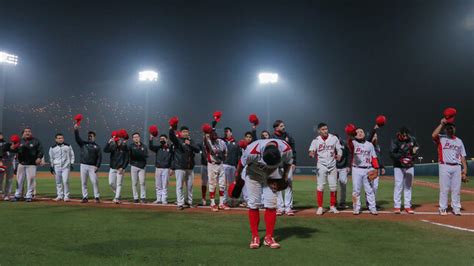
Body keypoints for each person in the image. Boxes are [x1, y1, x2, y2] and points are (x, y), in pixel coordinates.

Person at [234, 138, 293, 249]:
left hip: (272, 175)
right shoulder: (252, 150)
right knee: (253, 204)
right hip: (253, 175)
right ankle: (255, 236)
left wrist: (284, 178)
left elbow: (288, 163)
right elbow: (240, 165)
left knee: (271, 204)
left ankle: (268, 237)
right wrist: (238, 180)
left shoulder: (286, 149)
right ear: (262, 154)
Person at [431, 118, 468, 216]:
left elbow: (463, 156)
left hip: (457, 167)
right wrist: (441, 124)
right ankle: (443, 208)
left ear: (454, 129)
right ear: (445, 129)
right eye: (448, 128)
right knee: (444, 189)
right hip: (444, 166)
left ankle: (456, 208)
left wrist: (465, 170)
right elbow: (433, 135)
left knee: (456, 189)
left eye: (451, 128)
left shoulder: (459, 141)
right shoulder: (441, 138)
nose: (450, 129)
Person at [308, 123, 342, 215]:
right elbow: (311, 150)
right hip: (321, 165)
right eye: (323, 129)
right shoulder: (316, 140)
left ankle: (332, 206)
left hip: (332, 164)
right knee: (320, 186)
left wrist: (339, 155)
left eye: (326, 129)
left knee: (333, 186)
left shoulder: (334, 138)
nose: (325, 131)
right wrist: (311, 153)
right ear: (319, 131)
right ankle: (320, 207)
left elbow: (339, 149)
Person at [347, 128, 380, 215]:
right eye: (357, 132)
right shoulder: (354, 143)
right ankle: (356, 207)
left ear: (364, 134)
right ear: (355, 135)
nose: (360, 133)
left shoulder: (370, 145)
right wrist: (350, 135)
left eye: (361, 131)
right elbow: (349, 143)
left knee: (369, 190)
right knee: (356, 190)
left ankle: (372, 208)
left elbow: (374, 157)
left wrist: (376, 168)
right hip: (356, 169)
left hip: (368, 169)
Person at [169, 125, 200, 210]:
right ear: (181, 133)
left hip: (190, 167)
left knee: (190, 186)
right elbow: (171, 137)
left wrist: (190, 144)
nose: (185, 133)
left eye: (186, 131)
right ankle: (180, 203)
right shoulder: (178, 141)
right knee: (179, 186)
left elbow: (197, 149)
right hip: (179, 166)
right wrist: (171, 129)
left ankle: (189, 202)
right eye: (184, 132)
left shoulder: (191, 141)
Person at [389, 126, 419, 214]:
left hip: (409, 165)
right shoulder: (395, 141)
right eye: (404, 135)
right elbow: (391, 153)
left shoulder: (412, 139)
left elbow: (416, 150)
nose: (405, 137)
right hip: (398, 165)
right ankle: (397, 206)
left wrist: (412, 157)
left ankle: (407, 206)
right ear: (400, 134)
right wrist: (401, 158)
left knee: (408, 186)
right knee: (398, 185)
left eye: (407, 135)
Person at [10, 127, 44, 202]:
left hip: (31, 164)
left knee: (30, 180)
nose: (27, 133)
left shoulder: (36, 141)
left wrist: (39, 157)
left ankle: (29, 196)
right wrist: (12, 147)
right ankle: (17, 195)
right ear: (23, 133)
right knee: (19, 180)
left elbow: (40, 150)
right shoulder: (19, 141)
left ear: (31, 133)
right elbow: (14, 150)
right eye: (26, 131)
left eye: (29, 131)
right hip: (21, 164)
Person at [272, 120, 297, 216]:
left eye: (283, 125)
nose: (284, 127)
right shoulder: (272, 137)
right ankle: (280, 207)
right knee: (277, 187)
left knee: (288, 185)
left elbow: (293, 151)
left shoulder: (289, 136)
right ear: (276, 127)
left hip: (287, 164)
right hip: (276, 165)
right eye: (281, 126)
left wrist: (294, 162)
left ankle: (288, 207)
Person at [74, 124, 102, 203]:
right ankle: (85, 197)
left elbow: (99, 157)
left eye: (91, 136)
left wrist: (97, 166)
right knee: (84, 182)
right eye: (89, 136)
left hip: (92, 167)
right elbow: (77, 138)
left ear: (94, 137)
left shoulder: (97, 147)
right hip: (83, 165)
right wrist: (76, 130)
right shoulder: (83, 144)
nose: (90, 137)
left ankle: (96, 197)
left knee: (95, 182)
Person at [204, 128, 228, 211]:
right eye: (212, 134)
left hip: (220, 164)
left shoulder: (221, 142)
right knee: (212, 184)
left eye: (215, 134)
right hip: (212, 165)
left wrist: (223, 156)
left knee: (222, 184)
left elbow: (225, 152)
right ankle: (213, 203)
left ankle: (221, 203)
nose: (214, 136)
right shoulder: (208, 141)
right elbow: (207, 143)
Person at [104, 133, 129, 204]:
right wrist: (108, 142)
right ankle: (118, 194)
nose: (118, 142)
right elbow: (105, 150)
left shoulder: (124, 147)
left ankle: (117, 198)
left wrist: (123, 167)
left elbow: (127, 158)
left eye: (119, 141)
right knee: (111, 183)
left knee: (119, 184)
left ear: (120, 140)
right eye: (117, 141)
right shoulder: (113, 147)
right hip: (112, 168)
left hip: (120, 169)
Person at [48, 133, 75, 202]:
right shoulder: (52, 148)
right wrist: (51, 166)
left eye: (62, 138)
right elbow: (51, 158)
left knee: (65, 181)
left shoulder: (68, 146)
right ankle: (59, 195)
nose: (61, 139)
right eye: (59, 138)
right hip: (57, 167)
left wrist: (71, 163)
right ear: (56, 139)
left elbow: (72, 155)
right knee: (58, 182)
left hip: (66, 167)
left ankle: (66, 196)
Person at [149, 134, 173, 205]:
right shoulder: (158, 148)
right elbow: (151, 147)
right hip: (158, 168)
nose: (161, 140)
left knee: (165, 185)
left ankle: (164, 199)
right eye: (160, 139)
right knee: (158, 185)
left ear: (167, 139)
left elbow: (172, 158)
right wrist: (151, 139)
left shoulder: (170, 148)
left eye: (163, 139)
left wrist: (172, 168)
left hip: (166, 168)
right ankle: (158, 199)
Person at [222, 127, 241, 207]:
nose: (226, 133)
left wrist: (238, 167)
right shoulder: (222, 141)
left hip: (233, 166)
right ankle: (224, 200)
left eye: (228, 131)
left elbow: (238, 156)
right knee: (223, 184)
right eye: (225, 131)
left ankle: (232, 200)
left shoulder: (236, 143)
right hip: (224, 165)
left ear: (231, 133)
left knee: (232, 184)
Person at [129, 132, 148, 203]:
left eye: (137, 136)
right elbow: (131, 155)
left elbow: (145, 155)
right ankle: (135, 197)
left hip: (142, 166)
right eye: (134, 137)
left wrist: (139, 149)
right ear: (133, 139)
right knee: (134, 183)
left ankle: (143, 197)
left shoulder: (144, 146)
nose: (136, 138)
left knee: (142, 182)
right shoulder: (130, 146)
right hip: (133, 165)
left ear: (139, 137)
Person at [335, 134, 350, 209]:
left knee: (343, 184)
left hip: (343, 167)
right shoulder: (330, 144)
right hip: (333, 167)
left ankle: (342, 202)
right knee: (333, 186)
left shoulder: (344, 143)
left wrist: (348, 165)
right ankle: (333, 202)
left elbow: (348, 154)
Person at [0, 132, 15, 201]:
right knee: (0, 179)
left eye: (1, 134)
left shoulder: (7, 143)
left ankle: (7, 195)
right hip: (1, 162)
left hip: (9, 162)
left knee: (9, 179)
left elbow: (13, 152)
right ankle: (1, 192)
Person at [197, 140, 209, 206]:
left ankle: (212, 200)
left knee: (212, 183)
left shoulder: (214, 142)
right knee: (204, 182)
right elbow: (196, 148)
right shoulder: (201, 143)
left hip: (212, 165)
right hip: (204, 164)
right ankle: (203, 199)